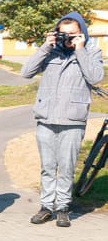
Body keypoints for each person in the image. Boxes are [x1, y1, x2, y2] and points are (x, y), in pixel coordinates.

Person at [22, 12, 104, 228]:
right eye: (62, 34)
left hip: (73, 120)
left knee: (66, 167)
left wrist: (80, 50)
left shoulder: (92, 52)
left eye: (72, 34)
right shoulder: (50, 52)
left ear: (82, 34)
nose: (67, 38)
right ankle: (46, 207)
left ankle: (64, 208)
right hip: (46, 117)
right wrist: (45, 47)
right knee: (48, 167)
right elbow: (26, 72)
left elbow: (95, 77)